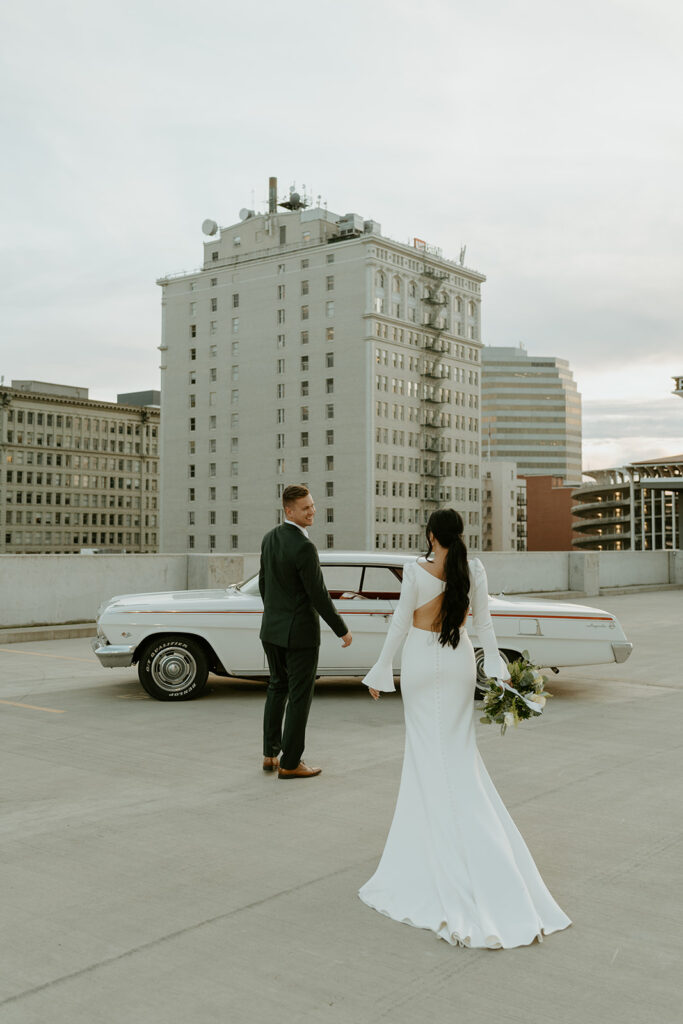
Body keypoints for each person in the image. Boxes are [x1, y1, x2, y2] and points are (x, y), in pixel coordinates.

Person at [359, 508, 571, 948]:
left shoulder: (413, 569)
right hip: (458, 663)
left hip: (419, 663)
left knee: (424, 756)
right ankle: (479, 845)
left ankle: (432, 844)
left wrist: (381, 670)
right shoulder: (473, 568)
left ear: (431, 534)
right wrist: (497, 670)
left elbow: (400, 623)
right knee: (457, 754)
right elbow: (485, 625)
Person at [259, 484, 352, 779]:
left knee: (277, 688)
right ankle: (290, 763)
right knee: (299, 697)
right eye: (305, 508)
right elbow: (318, 595)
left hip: (271, 630)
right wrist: (342, 630)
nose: (312, 511)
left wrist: (275, 615)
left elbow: (264, 585)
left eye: (312, 505)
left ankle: (270, 754)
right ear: (289, 511)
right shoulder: (304, 546)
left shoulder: (270, 538)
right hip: (299, 634)